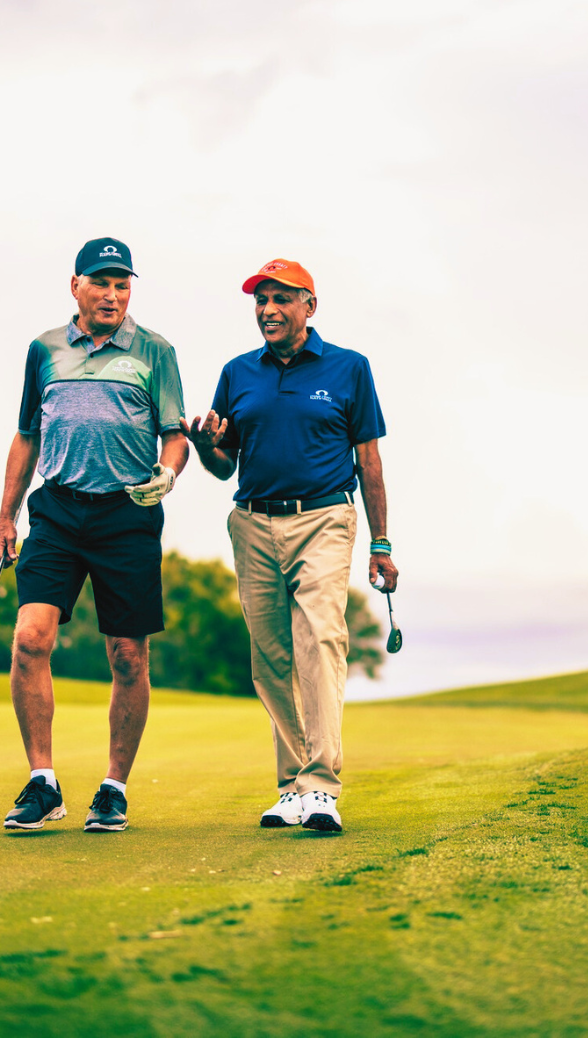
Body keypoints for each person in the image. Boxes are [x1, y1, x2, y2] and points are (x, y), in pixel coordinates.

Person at [184, 258, 398, 833]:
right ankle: (291, 787)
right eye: (261, 300)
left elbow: (369, 460)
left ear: (310, 306)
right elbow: (223, 466)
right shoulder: (238, 373)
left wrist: (381, 542)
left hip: (324, 518)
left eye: (281, 299)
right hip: (253, 522)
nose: (268, 310)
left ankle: (321, 787)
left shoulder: (349, 368)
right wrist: (205, 444)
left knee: (320, 640)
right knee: (271, 658)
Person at [0, 237, 188, 833]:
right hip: (56, 512)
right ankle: (42, 782)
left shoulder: (155, 350)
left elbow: (174, 434)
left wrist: (168, 472)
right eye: (100, 283)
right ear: (75, 285)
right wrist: (6, 516)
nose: (112, 294)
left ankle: (113, 788)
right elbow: (27, 434)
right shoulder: (44, 349)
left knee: (127, 654)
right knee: (30, 638)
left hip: (127, 515)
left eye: (122, 284)